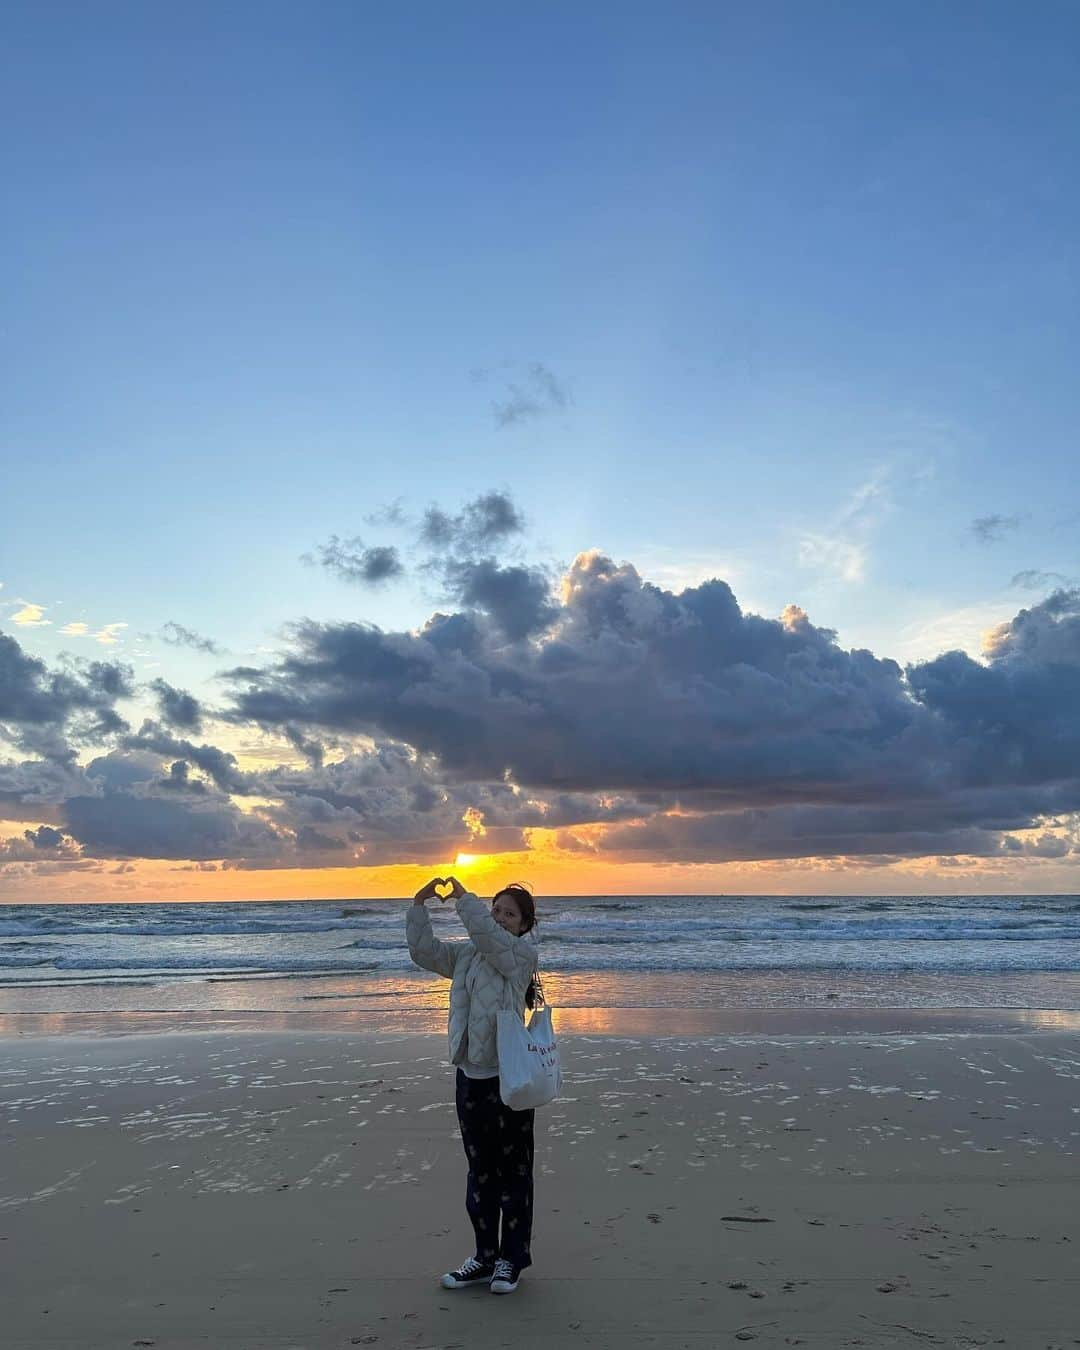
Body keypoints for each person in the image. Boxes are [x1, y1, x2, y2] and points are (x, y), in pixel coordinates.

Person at [406, 873, 543, 1295]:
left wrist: (465, 900)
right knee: (480, 1173)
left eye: (509, 913)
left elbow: (491, 940)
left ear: (524, 925)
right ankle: (484, 1257)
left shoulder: (521, 956)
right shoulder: (467, 955)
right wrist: (417, 905)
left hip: (510, 1081)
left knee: (513, 1174)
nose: (500, 918)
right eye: (497, 910)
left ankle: (511, 1261)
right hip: (469, 1078)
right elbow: (424, 952)